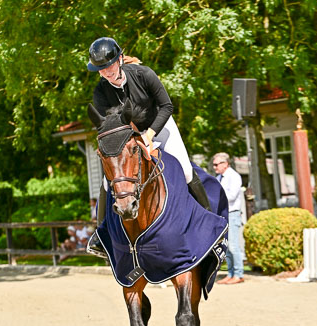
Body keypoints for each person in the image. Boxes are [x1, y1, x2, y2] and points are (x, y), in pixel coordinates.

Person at [85, 37, 210, 255]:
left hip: (159, 124)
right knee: (108, 182)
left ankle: (208, 221)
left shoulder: (143, 74)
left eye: (109, 65)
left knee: (186, 170)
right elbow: (111, 125)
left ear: (120, 60)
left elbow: (166, 106)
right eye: (101, 69)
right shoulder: (100, 91)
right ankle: (101, 235)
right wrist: (134, 138)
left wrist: (150, 134)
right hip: (130, 134)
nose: (106, 72)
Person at [212, 152, 245, 284]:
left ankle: (239, 274)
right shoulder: (219, 177)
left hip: (232, 214)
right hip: (223, 215)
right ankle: (231, 273)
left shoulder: (234, 176)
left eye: (216, 164)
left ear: (225, 164)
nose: (214, 167)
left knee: (233, 246)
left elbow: (231, 196)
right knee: (226, 246)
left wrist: (215, 196)